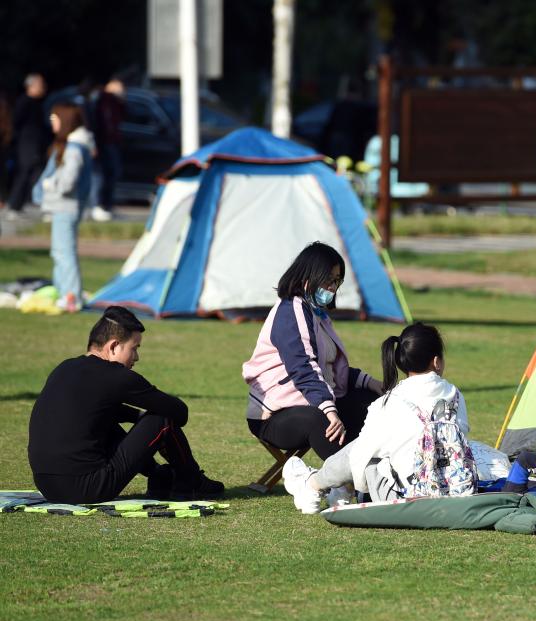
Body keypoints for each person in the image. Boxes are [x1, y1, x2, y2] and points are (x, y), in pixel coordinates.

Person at [27, 306, 225, 504]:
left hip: (48, 487)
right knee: (162, 418)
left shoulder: (64, 368)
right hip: (89, 487)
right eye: (135, 348)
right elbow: (179, 412)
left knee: (102, 419)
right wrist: (144, 417)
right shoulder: (116, 376)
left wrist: (136, 416)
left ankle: (159, 476)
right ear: (114, 346)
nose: (137, 357)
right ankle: (191, 481)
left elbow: (98, 411)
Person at [282, 322, 471, 513]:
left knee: (363, 450)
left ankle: (313, 485)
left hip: (402, 496)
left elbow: (360, 454)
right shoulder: (455, 395)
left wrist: (356, 485)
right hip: (453, 487)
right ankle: (336, 488)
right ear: (437, 361)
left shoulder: (390, 401)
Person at [243, 242, 384, 465]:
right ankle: (358, 476)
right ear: (309, 275)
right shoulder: (291, 311)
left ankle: (384, 466)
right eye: (329, 279)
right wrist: (329, 410)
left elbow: (329, 368)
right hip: (273, 416)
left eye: (337, 280)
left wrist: (370, 383)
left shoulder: (316, 312)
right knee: (322, 420)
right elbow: (304, 369)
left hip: (309, 401)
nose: (333, 287)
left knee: (372, 403)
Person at [38, 102, 93, 312]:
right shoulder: (76, 145)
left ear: (65, 120)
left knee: (64, 252)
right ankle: (64, 292)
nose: (52, 123)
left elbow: (69, 181)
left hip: (66, 206)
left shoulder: (74, 148)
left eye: (55, 119)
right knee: (59, 251)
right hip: (65, 206)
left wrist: (50, 184)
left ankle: (71, 296)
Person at [5, 73, 50, 216]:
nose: (43, 87)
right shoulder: (24, 102)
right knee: (24, 172)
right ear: (31, 86)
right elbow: (16, 124)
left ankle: (22, 203)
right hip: (27, 144)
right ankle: (14, 205)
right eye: (40, 84)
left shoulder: (39, 103)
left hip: (36, 144)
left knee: (36, 173)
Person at [92, 77, 124, 221]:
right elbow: (101, 122)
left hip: (112, 142)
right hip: (103, 142)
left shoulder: (115, 102)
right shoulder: (102, 101)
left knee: (112, 173)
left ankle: (106, 205)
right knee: (101, 175)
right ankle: (98, 205)